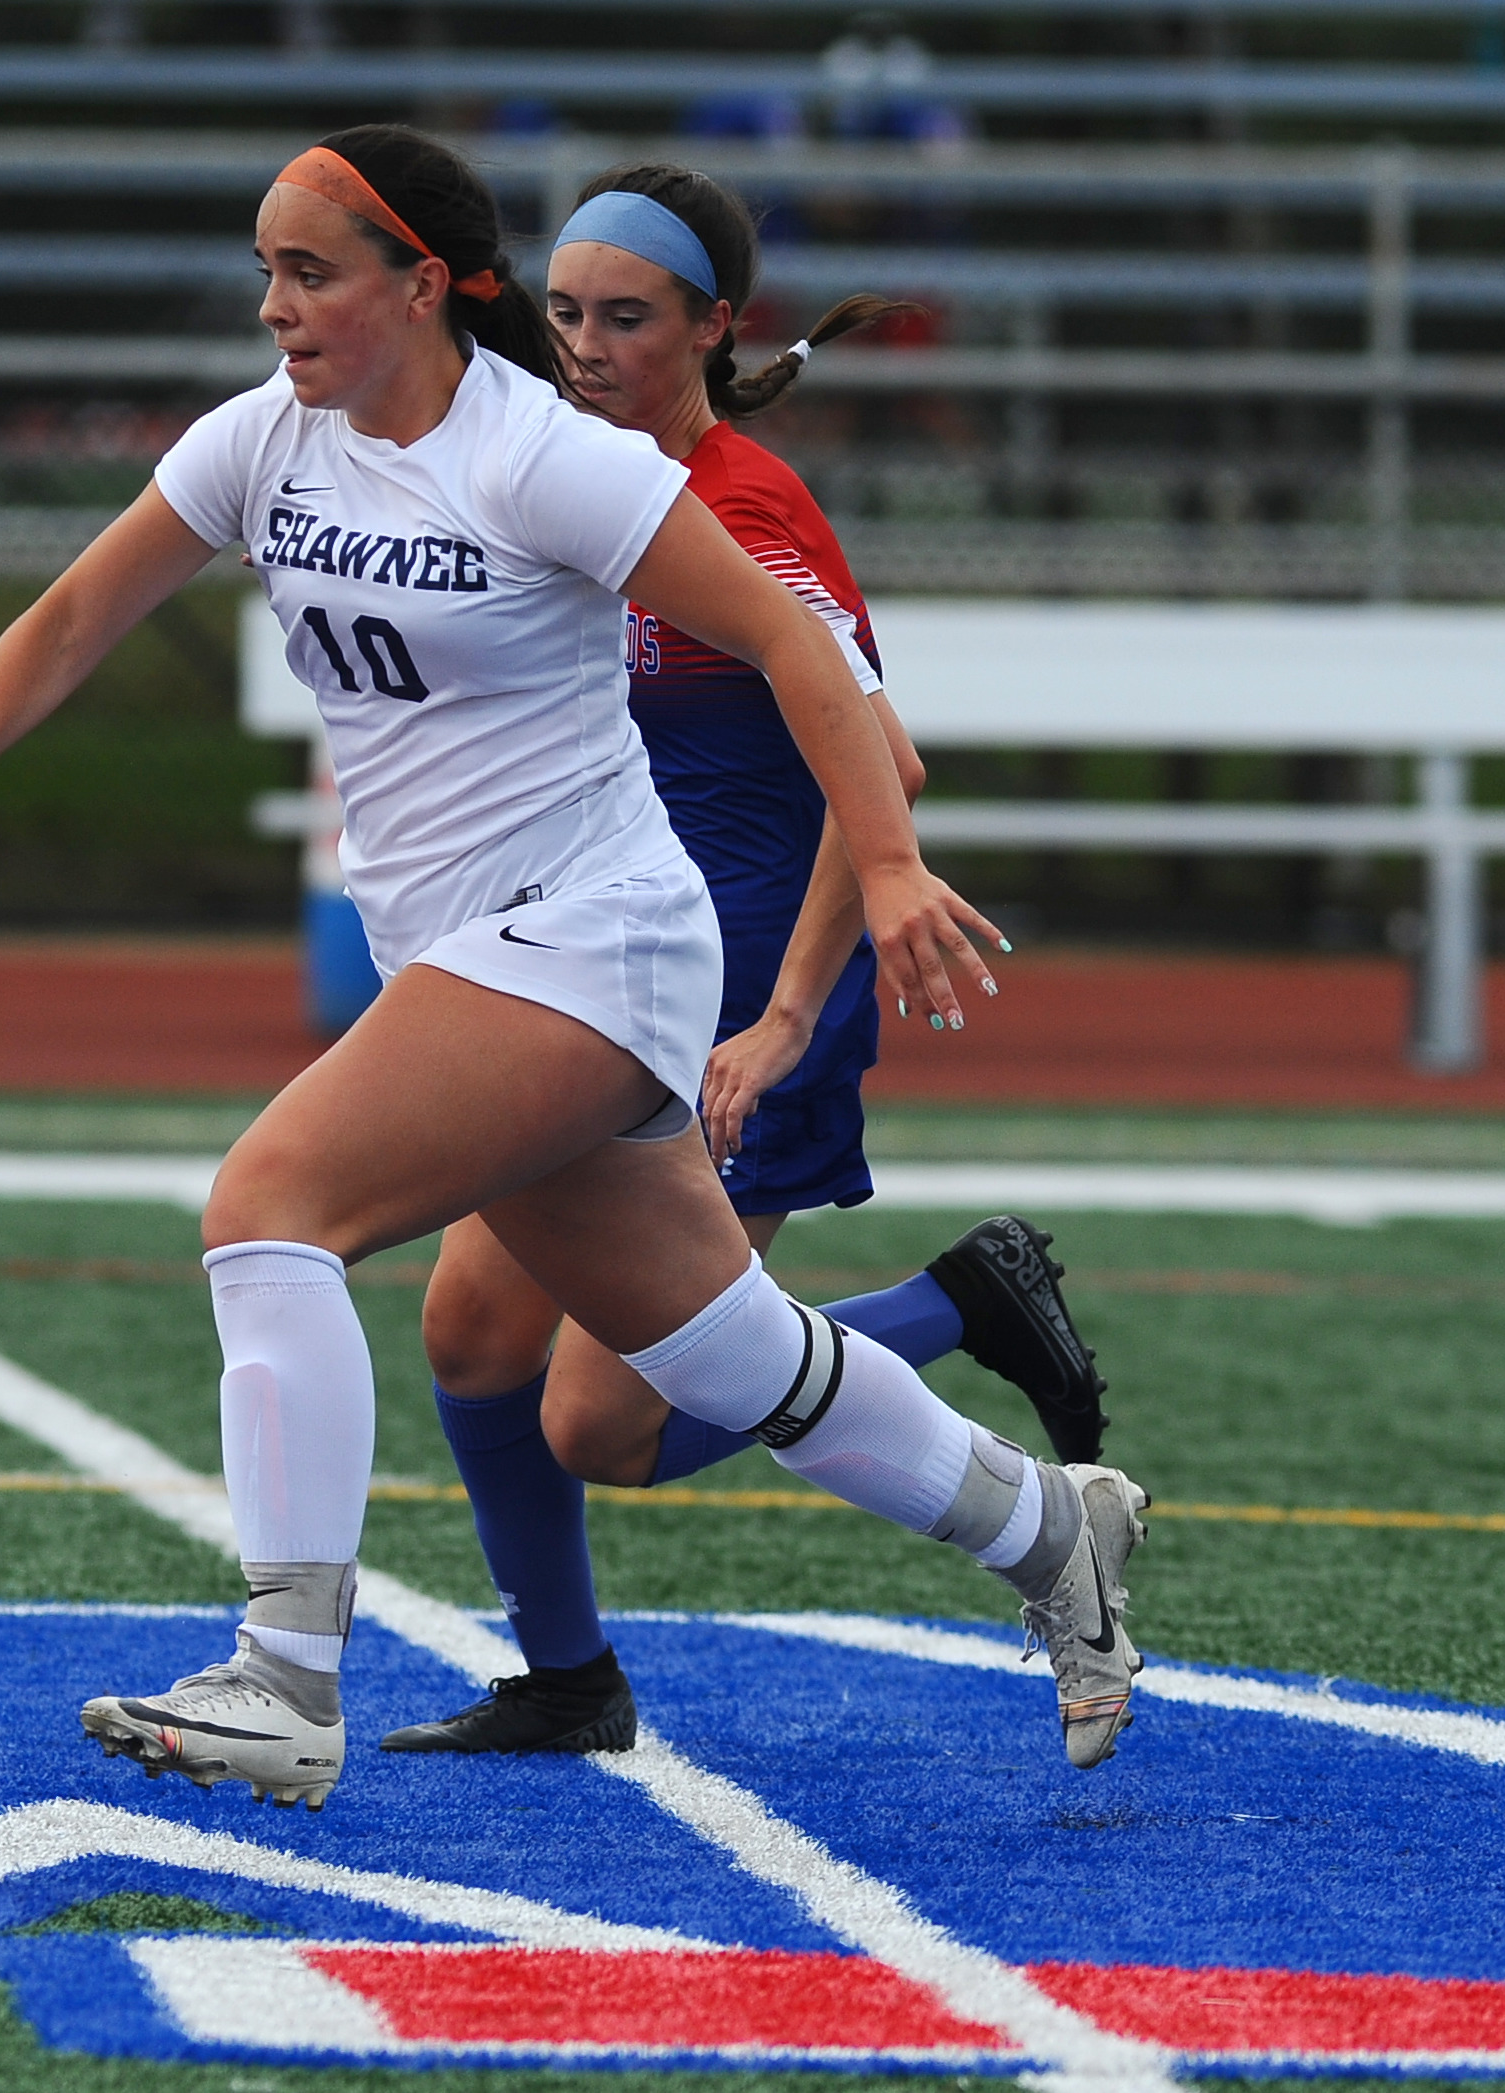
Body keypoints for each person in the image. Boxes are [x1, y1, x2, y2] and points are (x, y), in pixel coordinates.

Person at [0, 125, 1151, 1810]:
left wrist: (884, 870)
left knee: (269, 1197)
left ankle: (285, 1673)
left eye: (311, 272)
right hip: (473, 947)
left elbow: (802, 648)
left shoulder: (542, 460)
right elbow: (75, 613)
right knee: (723, 1362)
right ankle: (1053, 1528)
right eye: (265, 274)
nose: (278, 307)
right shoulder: (262, 445)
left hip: (598, 936)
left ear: (423, 285)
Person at [381, 164, 1109, 1760]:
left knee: (605, 1422)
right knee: (472, 1337)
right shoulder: (558, 466)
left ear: (716, 327)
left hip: (741, 997)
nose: (585, 345)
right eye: (565, 312)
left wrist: (785, 1015)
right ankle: (568, 1683)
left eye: (628, 318)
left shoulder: (747, 507)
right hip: (601, 973)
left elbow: (882, 764)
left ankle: (951, 1304)